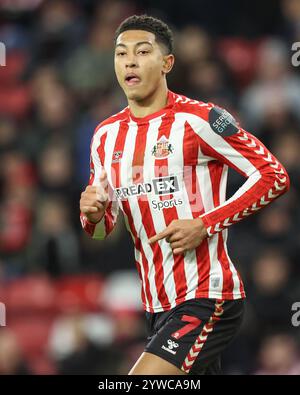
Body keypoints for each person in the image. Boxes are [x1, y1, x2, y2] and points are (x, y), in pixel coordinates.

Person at [79, 15, 290, 375]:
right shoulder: (104, 136)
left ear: (167, 63)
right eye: (120, 54)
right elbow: (101, 230)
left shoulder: (200, 119)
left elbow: (273, 175)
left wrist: (205, 224)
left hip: (207, 296)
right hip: (157, 305)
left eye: (142, 52)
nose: (129, 61)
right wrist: (93, 215)